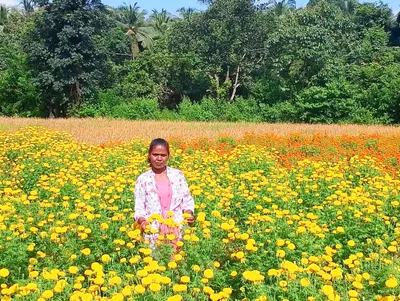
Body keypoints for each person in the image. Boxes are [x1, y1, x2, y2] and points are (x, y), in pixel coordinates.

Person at [134, 138, 195, 248]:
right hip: (153, 229)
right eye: (155, 154)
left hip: (177, 226)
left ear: (168, 156)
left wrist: (189, 213)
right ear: (149, 155)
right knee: (155, 262)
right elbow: (139, 207)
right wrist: (143, 222)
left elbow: (187, 200)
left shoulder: (178, 175)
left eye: (163, 155)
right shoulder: (143, 179)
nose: (159, 158)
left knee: (177, 259)